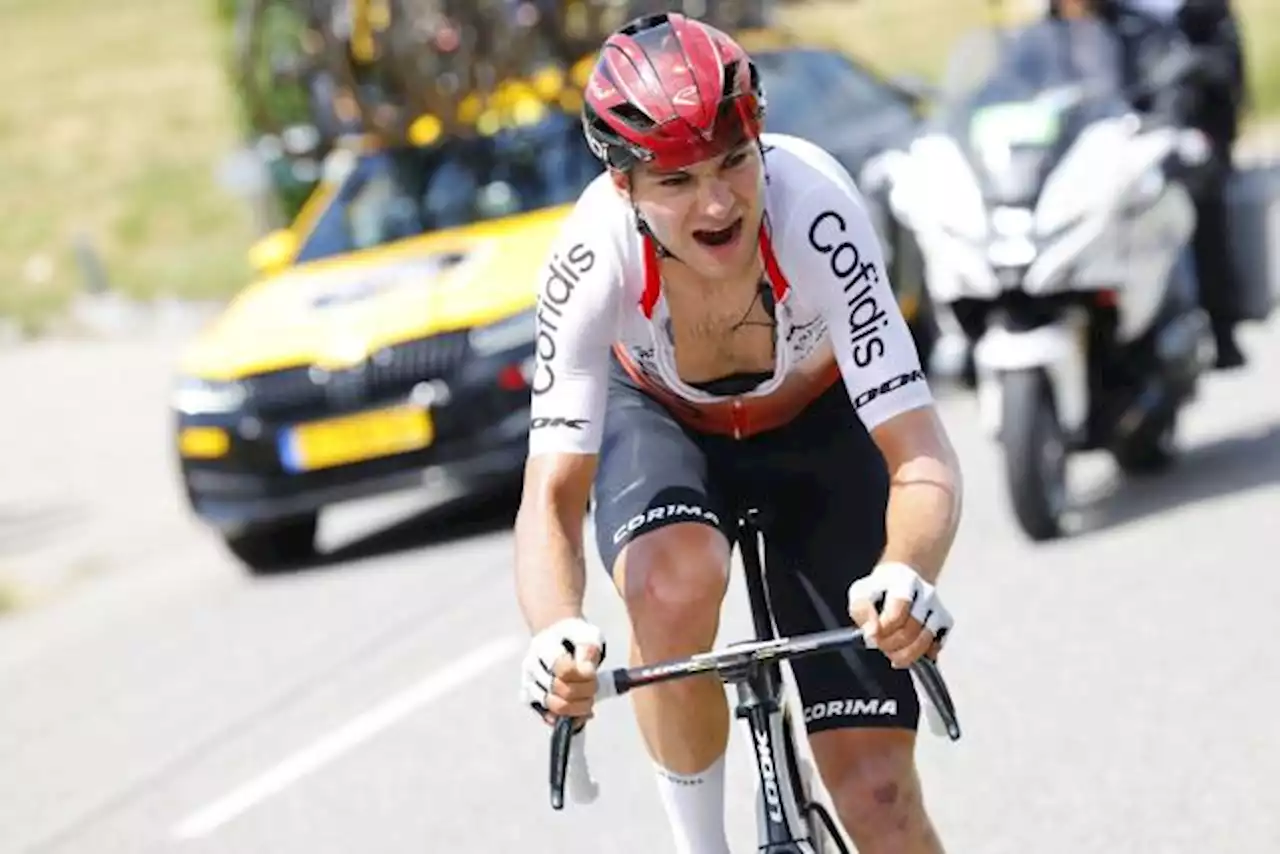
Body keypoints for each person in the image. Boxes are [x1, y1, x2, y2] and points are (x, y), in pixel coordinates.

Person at [513, 12, 963, 854]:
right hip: (664, 422)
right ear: (625, 188)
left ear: (762, 143)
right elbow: (552, 495)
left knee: (880, 799)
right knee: (670, 581)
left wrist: (907, 572)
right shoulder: (590, 259)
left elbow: (921, 453)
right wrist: (555, 630)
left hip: (818, 423)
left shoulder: (816, 212)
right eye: (676, 182)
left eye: (732, 162)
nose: (717, 203)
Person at [1050, 0, 1250, 368]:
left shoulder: (1139, 26)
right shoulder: (1047, 34)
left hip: (1150, 148)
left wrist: (1170, 122)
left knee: (1195, 209)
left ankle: (1212, 325)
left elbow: (1175, 81)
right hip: (1081, 160)